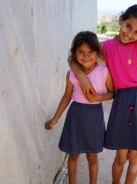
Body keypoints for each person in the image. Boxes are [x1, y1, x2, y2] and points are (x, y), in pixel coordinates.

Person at [69, 4, 137, 184]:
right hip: (122, 101)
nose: (130, 34)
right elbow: (72, 58)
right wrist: (81, 77)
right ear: (121, 20)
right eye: (128, 26)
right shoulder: (106, 47)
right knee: (120, 155)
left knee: (134, 155)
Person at [46, 31, 114, 184]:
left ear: (97, 53)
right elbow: (67, 96)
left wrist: (99, 98)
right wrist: (56, 117)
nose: (86, 56)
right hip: (75, 116)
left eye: (91, 52)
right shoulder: (71, 74)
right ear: (74, 54)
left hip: (94, 117)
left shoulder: (104, 72)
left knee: (92, 156)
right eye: (81, 52)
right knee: (73, 155)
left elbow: (112, 93)